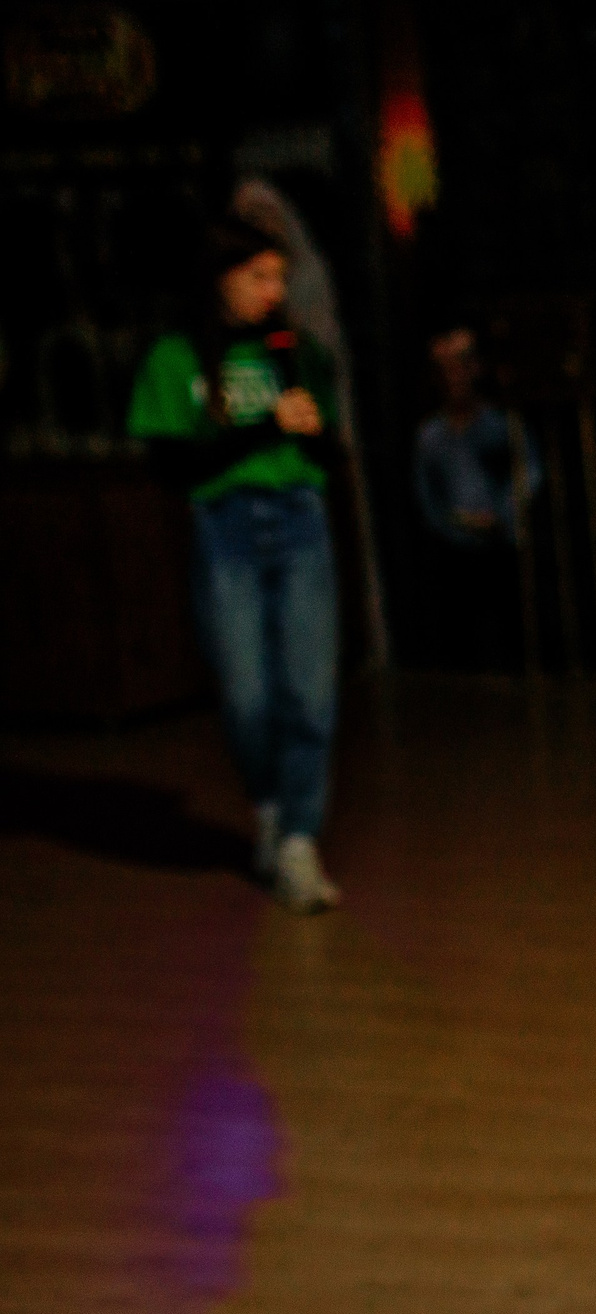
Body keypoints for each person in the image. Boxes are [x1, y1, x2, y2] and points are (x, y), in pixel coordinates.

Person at [128, 212, 345, 913]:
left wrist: (316, 436)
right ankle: (271, 807)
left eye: (280, 277)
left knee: (309, 690)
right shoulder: (178, 355)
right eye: (259, 276)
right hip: (225, 525)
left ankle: (299, 843)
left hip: (300, 519)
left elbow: (323, 451)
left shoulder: (295, 349)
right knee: (248, 693)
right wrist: (264, 424)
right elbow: (174, 464)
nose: (273, 290)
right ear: (221, 277)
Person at [411, 325, 539, 671]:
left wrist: (502, 513)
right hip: (453, 552)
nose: (456, 376)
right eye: (446, 366)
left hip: (499, 546)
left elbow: (528, 471)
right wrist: (454, 525)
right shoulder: (431, 436)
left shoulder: (499, 425)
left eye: (462, 364)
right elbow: (427, 498)